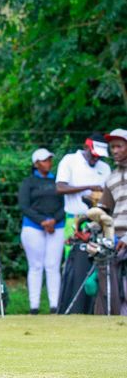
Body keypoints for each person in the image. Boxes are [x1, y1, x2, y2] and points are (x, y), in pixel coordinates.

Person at [18, 148, 65, 314]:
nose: (49, 163)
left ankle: (54, 306)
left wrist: (54, 220)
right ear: (36, 164)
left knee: (53, 266)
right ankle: (34, 306)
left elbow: (65, 204)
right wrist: (42, 221)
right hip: (33, 226)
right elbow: (24, 206)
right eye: (45, 160)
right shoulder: (28, 182)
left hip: (56, 226)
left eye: (50, 160)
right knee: (35, 266)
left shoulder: (57, 181)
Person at [56, 133, 112, 255]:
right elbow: (60, 188)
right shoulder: (70, 160)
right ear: (86, 147)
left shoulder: (105, 168)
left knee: (99, 259)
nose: (96, 158)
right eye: (94, 154)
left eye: (99, 156)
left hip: (98, 222)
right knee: (74, 257)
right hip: (75, 220)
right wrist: (88, 187)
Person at [100, 129, 127, 315]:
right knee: (111, 284)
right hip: (115, 237)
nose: (115, 151)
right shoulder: (111, 178)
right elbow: (104, 210)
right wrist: (88, 227)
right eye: (112, 147)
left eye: (119, 146)